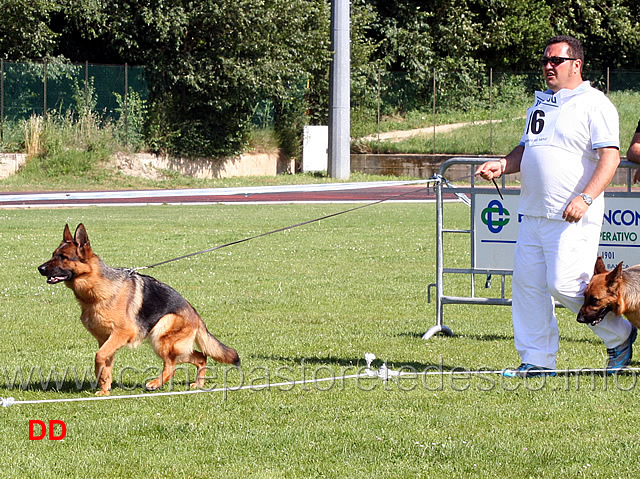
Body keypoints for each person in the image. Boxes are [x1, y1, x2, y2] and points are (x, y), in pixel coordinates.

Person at [476, 35, 636, 378]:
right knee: (528, 288)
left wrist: (586, 197)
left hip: (574, 215)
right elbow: (526, 148)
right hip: (534, 212)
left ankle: (620, 335)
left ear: (576, 64)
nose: (548, 66)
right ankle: (537, 360)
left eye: (556, 60)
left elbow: (610, 157)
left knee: (565, 285)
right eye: (545, 60)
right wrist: (503, 164)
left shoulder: (596, 104)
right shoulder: (541, 104)